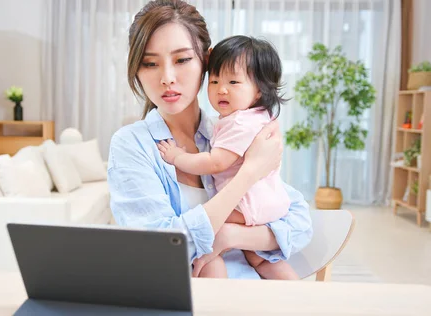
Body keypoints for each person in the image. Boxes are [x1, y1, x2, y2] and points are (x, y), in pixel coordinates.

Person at [107, 0, 312, 279]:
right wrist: (248, 174)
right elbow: (159, 251)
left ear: (207, 59)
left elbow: (299, 222)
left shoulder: (228, 132)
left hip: (259, 294)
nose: (167, 78)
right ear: (137, 70)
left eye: (182, 60)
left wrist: (229, 236)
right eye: (150, 63)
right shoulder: (132, 145)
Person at [157, 35, 298, 279]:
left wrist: (178, 157)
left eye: (234, 82)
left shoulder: (240, 123)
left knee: (207, 236)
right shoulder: (258, 117)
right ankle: (299, 293)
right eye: (214, 81)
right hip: (267, 201)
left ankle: (218, 291)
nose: (221, 89)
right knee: (260, 258)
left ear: (259, 90)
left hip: (248, 203)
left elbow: (216, 162)